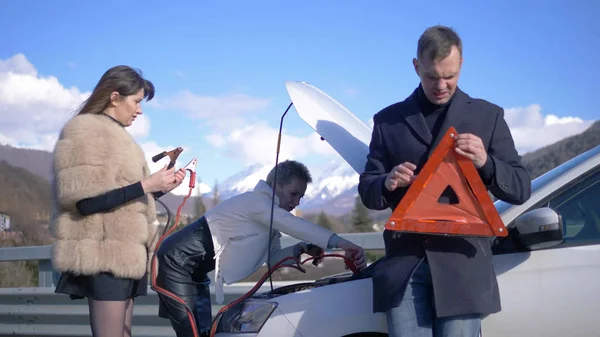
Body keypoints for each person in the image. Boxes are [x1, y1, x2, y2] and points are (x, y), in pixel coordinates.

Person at [358, 26, 532, 337]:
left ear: (461, 64)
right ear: (416, 67)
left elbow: (520, 187)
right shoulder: (387, 121)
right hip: (404, 270)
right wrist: (386, 181)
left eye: (449, 76)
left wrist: (486, 163)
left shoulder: (488, 116)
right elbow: (368, 191)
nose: (441, 85)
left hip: (463, 268)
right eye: (431, 76)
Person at [155, 159, 368, 337]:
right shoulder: (257, 203)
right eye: (293, 194)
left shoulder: (269, 217)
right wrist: (341, 243)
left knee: (203, 333)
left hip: (194, 271)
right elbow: (294, 224)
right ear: (275, 185)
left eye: (301, 197)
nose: (297, 202)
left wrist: (301, 248)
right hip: (175, 263)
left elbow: (274, 259)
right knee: (193, 334)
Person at [50, 65, 186, 337]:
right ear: (115, 98)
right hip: (103, 258)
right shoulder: (85, 130)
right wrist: (147, 184)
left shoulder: (123, 139)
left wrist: (160, 188)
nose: (140, 110)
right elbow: (84, 202)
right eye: (136, 101)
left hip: (128, 257)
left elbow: (121, 199)